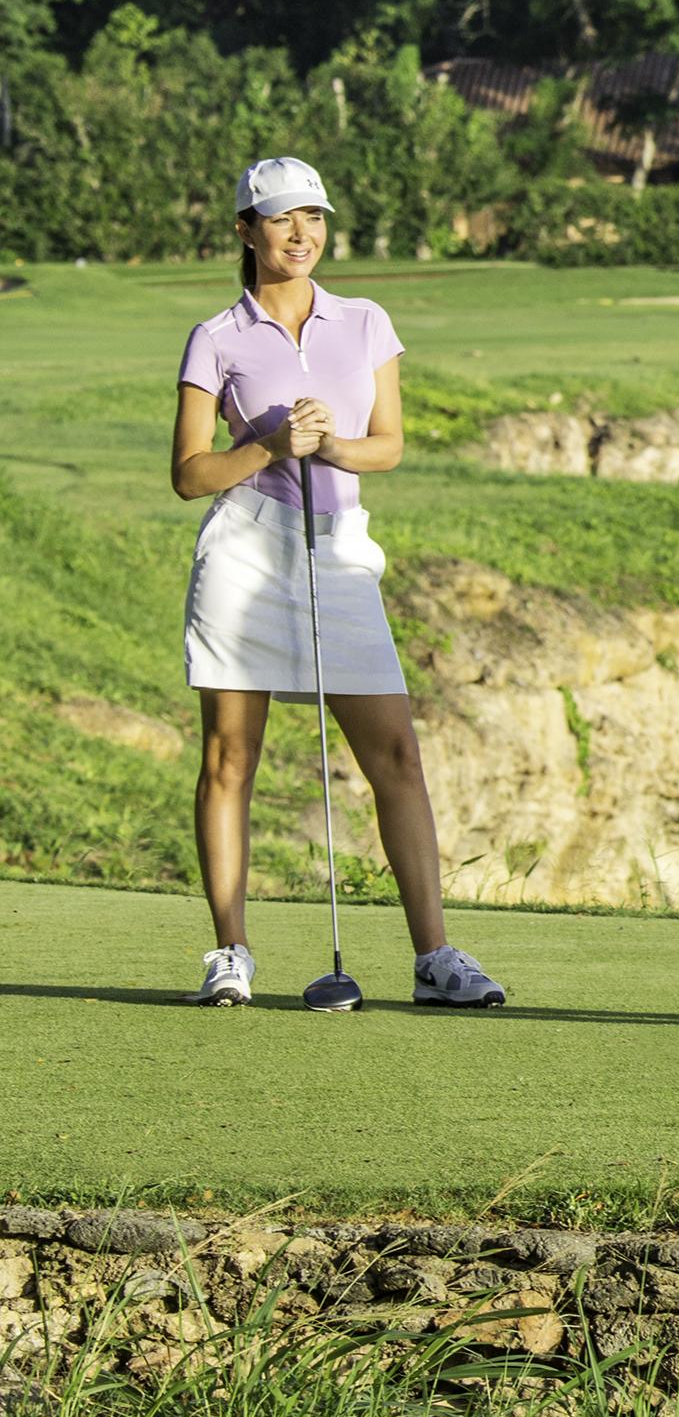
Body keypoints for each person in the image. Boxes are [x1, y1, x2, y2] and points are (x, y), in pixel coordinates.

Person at [171, 157, 505, 1011]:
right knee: (230, 758)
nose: (301, 233)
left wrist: (330, 446)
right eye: (281, 219)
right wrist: (269, 445)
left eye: (313, 216)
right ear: (247, 230)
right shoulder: (218, 336)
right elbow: (188, 472)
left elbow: (386, 444)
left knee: (396, 752)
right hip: (247, 551)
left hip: (338, 549)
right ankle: (231, 952)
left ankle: (434, 957)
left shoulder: (365, 322)